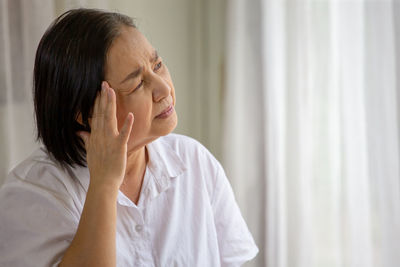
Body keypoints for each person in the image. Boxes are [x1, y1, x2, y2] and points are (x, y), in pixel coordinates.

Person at [0, 8, 258, 267]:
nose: (164, 88)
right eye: (137, 84)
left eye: (157, 65)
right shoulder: (34, 193)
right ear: (86, 113)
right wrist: (104, 184)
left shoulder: (195, 161)